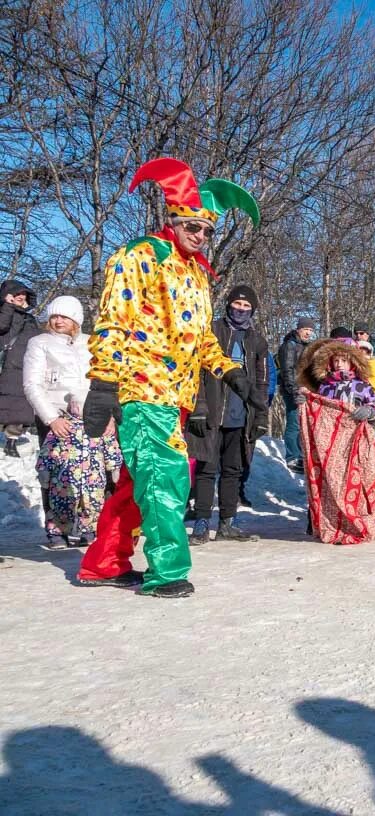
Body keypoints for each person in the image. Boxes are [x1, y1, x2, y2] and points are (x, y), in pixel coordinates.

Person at [77, 157, 263, 598]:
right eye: (191, 226)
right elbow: (113, 321)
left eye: (207, 230)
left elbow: (200, 339)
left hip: (174, 394)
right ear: (172, 218)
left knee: (134, 485)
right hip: (142, 388)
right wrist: (103, 383)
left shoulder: (198, 273)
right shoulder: (140, 256)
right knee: (166, 479)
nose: (199, 235)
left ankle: (104, 562)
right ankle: (167, 571)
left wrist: (234, 374)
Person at [24, 295, 121, 548]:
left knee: (95, 475)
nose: (58, 321)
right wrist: (51, 418)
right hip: (57, 417)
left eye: (64, 316)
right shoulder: (40, 343)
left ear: (75, 319)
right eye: (54, 316)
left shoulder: (91, 343)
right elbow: (32, 384)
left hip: (93, 417)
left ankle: (92, 526)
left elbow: (106, 382)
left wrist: (110, 415)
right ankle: (57, 529)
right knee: (56, 475)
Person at [187, 285, 270, 546]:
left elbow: (262, 382)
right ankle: (201, 523)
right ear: (229, 305)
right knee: (206, 468)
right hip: (211, 409)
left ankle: (227, 523)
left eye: (246, 307)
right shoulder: (212, 330)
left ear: (252, 310)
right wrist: (198, 407)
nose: (241, 310)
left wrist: (260, 415)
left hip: (240, 413)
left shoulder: (257, 340)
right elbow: (196, 371)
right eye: (237, 304)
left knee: (233, 469)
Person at [297, 339, 375, 544]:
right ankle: (334, 523)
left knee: (356, 480)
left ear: (352, 362)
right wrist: (305, 403)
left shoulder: (362, 386)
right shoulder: (325, 387)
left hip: (356, 441)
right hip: (331, 446)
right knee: (333, 483)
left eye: (343, 360)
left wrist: (370, 411)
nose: (339, 364)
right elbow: (318, 412)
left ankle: (358, 522)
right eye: (335, 360)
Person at [0, 279, 40, 457]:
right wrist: (7, 307)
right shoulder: (3, 312)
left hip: (23, 367)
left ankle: (11, 441)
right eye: (16, 294)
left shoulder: (30, 319)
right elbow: (1, 326)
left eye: (23, 294)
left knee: (20, 408)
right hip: (5, 366)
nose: (20, 297)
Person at [277, 317, 316, 473]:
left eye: (311, 330)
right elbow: (288, 370)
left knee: (302, 423)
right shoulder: (290, 345)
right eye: (306, 329)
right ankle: (292, 456)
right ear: (299, 329)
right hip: (292, 390)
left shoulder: (306, 346)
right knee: (294, 422)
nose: (308, 333)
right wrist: (294, 390)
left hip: (304, 390)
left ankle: (300, 455)